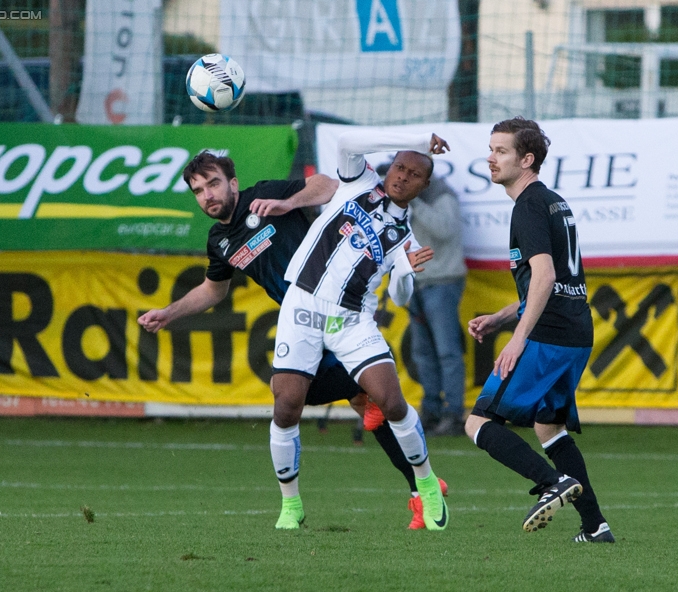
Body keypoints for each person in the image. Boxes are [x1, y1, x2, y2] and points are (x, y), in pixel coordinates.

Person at [137, 151, 446, 530]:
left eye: (213, 183)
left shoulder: (263, 195)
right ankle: (418, 485)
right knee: (319, 400)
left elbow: (327, 186)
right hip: (299, 318)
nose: (207, 195)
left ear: (232, 183)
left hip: (339, 308)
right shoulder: (219, 240)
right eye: (198, 191)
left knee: (370, 401)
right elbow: (213, 290)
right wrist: (170, 313)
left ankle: (421, 490)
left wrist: (289, 202)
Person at [268, 130, 451, 531]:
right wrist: (419, 139)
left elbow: (401, 298)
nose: (402, 176)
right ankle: (291, 504)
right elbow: (349, 141)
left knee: (390, 400)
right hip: (303, 305)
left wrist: (406, 271)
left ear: (424, 186)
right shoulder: (361, 181)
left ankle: (425, 483)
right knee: (286, 406)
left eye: (414, 173)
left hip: (352, 320)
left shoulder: (406, 237)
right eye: (400, 166)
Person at [464, 117, 614, 543]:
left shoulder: (527, 206)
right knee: (550, 428)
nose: (490, 159)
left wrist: (516, 338)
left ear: (527, 160)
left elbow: (545, 277)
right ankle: (595, 526)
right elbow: (554, 283)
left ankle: (552, 484)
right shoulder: (552, 201)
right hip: (575, 333)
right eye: (490, 149)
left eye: (501, 151)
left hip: (547, 335)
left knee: (477, 423)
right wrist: (501, 317)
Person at [403, 174, 467, 436]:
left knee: (447, 352)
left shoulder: (442, 195)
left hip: (443, 281)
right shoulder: (405, 202)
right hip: (417, 282)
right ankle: (431, 411)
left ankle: (453, 414)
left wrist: (414, 202)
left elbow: (444, 229)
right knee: (423, 353)